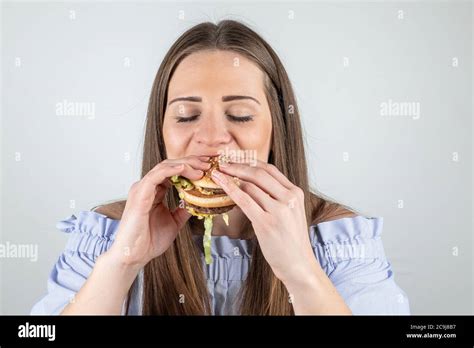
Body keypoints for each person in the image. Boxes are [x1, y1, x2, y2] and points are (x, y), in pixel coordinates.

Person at [31, 20, 410, 315]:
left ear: (277, 129)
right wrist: (123, 262)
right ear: (160, 131)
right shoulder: (104, 237)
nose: (211, 138)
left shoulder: (342, 245)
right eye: (186, 115)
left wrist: (300, 270)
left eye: (240, 115)